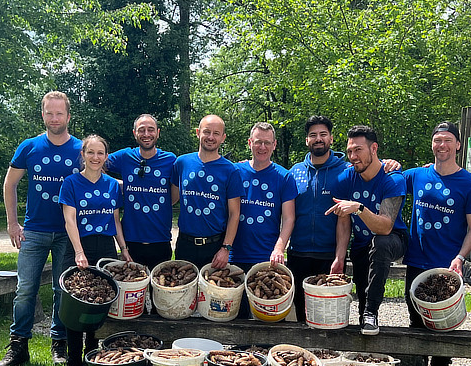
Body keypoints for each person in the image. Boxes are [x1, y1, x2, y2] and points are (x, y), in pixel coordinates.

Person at [0, 91, 81, 366]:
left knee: (62, 290)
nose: (54, 118)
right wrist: (12, 223)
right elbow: (9, 184)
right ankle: (18, 346)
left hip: (68, 234)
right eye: (49, 113)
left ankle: (60, 343)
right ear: (42, 115)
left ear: (68, 116)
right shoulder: (29, 147)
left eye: (59, 113)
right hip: (34, 231)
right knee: (25, 289)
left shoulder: (81, 150)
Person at [287, 116, 400, 322]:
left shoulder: (350, 171)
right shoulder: (297, 172)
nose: (318, 139)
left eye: (323, 134)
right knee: (304, 313)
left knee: (329, 313)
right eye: (313, 135)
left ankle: (366, 320)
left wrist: (358, 208)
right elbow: (342, 219)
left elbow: (375, 223)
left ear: (331, 138)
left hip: (336, 250)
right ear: (306, 140)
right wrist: (246, 166)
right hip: (301, 251)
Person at [403, 121, 471, 366]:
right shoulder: (416, 175)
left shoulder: (470, 184)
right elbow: (386, 182)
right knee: (416, 316)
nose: (442, 145)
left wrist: (460, 258)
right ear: (432, 144)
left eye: (448, 140)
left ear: (458, 145)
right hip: (417, 258)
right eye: (438, 140)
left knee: (442, 322)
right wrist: (390, 164)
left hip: (447, 265)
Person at [58, 135, 132, 366]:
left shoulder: (112, 185)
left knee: (99, 301)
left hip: (105, 247)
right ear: (83, 154)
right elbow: (69, 220)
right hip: (80, 246)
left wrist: (124, 249)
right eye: (91, 152)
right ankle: (73, 361)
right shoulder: (71, 183)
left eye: (100, 153)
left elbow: (115, 220)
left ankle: (92, 354)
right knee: (75, 302)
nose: (95, 158)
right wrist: (79, 252)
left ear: (106, 156)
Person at [329, 125, 408, 336]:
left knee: (380, 243)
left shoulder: (393, 178)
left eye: (359, 150)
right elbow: (343, 222)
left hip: (393, 239)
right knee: (362, 293)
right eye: (350, 151)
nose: (353, 156)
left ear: (374, 149)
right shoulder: (346, 179)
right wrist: (339, 257)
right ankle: (367, 322)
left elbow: (385, 226)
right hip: (363, 243)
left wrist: (359, 207)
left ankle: (371, 312)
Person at [170, 114, 244, 268]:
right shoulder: (181, 163)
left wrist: (226, 248)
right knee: (182, 291)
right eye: (206, 132)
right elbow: (171, 199)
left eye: (216, 133)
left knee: (212, 292)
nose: (211, 137)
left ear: (223, 138)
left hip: (215, 245)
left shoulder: (230, 170)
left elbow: (234, 214)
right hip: (185, 244)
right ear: (198, 133)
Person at [104, 114, 176, 269]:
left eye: (151, 130)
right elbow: (96, 163)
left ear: (158, 132)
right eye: (141, 130)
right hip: (131, 240)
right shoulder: (125, 156)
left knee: (161, 291)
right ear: (134, 133)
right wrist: (117, 184)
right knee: (133, 290)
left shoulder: (170, 160)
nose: (146, 134)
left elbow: (176, 193)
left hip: (160, 239)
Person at [231, 122, 297, 267]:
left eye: (267, 143)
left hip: (267, 256)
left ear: (274, 145)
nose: (262, 147)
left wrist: (279, 249)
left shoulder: (284, 177)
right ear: (250, 143)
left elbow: (288, 219)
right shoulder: (234, 172)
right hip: (233, 255)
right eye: (258, 142)